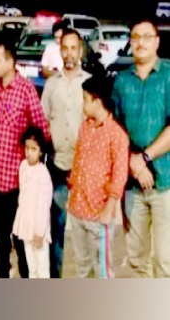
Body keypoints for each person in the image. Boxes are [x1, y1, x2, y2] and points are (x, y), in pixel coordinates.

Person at [0, 38, 50, 278]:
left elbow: (41, 129)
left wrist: (34, 165)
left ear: (11, 61)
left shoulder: (26, 90)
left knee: (21, 236)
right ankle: (3, 272)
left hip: (17, 181)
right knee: (0, 234)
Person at [112, 17, 170, 278]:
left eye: (146, 37)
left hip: (165, 181)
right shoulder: (121, 81)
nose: (140, 43)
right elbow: (114, 131)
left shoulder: (168, 75)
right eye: (135, 37)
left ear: (156, 42)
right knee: (137, 259)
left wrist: (143, 158)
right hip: (132, 184)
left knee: (166, 260)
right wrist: (131, 162)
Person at [40, 29, 90, 277]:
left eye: (73, 48)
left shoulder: (89, 83)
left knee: (85, 230)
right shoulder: (52, 85)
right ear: (60, 52)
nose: (69, 53)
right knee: (56, 227)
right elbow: (42, 120)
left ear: (80, 51)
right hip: (57, 165)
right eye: (65, 48)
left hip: (84, 168)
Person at [68, 76, 129, 278]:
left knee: (103, 269)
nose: (83, 104)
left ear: (97, 101)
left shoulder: (117, 135)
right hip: (77, 209)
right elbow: (78, 160)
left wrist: (108, 208)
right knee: (82, 266)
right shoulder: (85, 127)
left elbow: (119, 175)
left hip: (99, 214)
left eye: (85, 99)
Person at [12, 127, 53, 279]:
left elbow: (44, 206)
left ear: (41, 152)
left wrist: (40, 232)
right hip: (26, 226)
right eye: (27, 148)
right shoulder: (23, 167)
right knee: (32, 268)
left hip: (38, 230)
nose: (29, 153)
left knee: (42, 270)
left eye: (34, 149)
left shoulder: (43, 174)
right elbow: (23, 198)